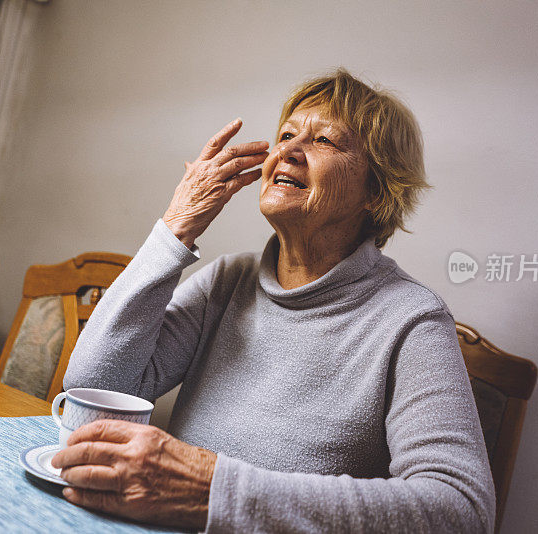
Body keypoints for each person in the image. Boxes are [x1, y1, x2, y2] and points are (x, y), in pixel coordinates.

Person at [54, 69, 495, 533]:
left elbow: (461, 509)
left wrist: (214, 492)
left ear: (376, 190)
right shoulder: (229, 282)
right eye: (286, 135)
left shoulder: (412, 320)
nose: (286, 150)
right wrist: (174, 230)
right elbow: (94, 387)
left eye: (325, 140)